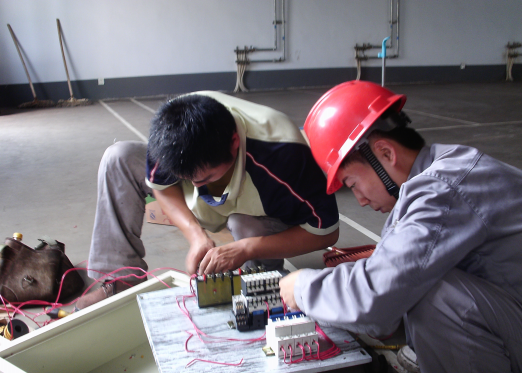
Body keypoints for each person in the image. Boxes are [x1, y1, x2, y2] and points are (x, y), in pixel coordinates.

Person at [279, 80, 522, 373]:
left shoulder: (443, 189)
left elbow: (378, 296)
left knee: (437, 298)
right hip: (520, 319)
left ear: (385, 153)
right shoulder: (432, 179)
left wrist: (302, 287)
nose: (359, 200)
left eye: (352, 183)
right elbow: (386, 289)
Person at [76, 90, 339, 309]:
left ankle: (259, 282)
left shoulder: (284, 154)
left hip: (255, 217)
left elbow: (326, 231)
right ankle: (121, 280)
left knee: (244, 226)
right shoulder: (172, 132)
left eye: (206, 178)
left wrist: (247, 248)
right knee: (119, 157)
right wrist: (195, 235)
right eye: (186, 179)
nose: (194, 186)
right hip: (205, 201)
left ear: (234, 142)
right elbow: (162, 187)